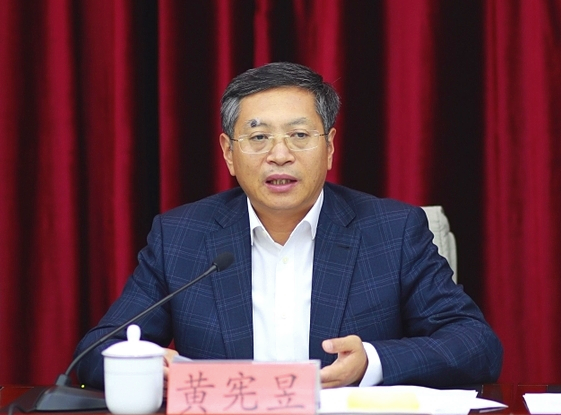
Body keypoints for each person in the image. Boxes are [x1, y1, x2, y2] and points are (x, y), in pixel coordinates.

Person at [74, 62, 503, 390]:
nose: (279, 155)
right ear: (229, 153)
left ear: (329, 147)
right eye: (258, 137)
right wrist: (148, 365)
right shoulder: (182, 237)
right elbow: (95, 354)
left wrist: (371, 362)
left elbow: (476, 345)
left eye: (299, 135)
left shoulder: (392, 231)